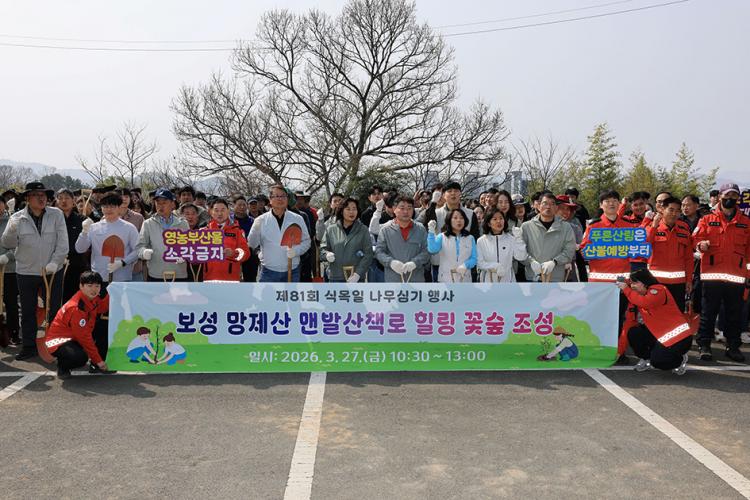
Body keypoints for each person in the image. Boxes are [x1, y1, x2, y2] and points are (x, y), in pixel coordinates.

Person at [1, 182, 68, 360]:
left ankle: (55, 346)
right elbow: (7, 243)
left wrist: (55, 262)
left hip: (52, 271)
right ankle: (29, 347)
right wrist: (11, 228)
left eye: (43, 195)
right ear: (27, 198)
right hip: (26, 271)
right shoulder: (17, 217)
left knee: (53, 309)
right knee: (28, 311)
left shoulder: (56, 214)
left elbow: (63, 244)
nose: (41, 198)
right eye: (36, 195)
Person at [692, 183, 750, 362]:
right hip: (712, 276)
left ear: (738, 198)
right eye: (727, 195)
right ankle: (704, 345)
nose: (730, 199)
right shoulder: (706, 219)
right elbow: (695, 238)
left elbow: (749, 251)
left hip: (736, 277)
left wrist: (748, 275)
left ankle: (733, 347)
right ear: (719, 197)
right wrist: (700, 245)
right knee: (708, 313)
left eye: (734, 196)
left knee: (734, 314)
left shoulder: (746, 222)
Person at [617, 269, 692, 375]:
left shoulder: (658, 290)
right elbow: (628, 323)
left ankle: (679, 360)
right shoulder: (636, 297)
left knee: (658, 362)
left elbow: (645, 302)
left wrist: (626, 290)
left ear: (644, 282)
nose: (632, 286)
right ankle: (647, 358)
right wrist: (619, 352)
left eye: (635, 283)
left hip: (679, 338)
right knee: (633, 332)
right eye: (631, 283)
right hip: (661, 335)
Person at [43, 271, 114, 379]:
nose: (94, 289)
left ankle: (95, 363)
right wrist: (98, 360)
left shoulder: (91, 298)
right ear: (81, 286)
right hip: (56, 341)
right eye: (89, 286)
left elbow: (102, 308)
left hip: (74, 337)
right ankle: (62, 366)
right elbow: (84, 337)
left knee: (102, 329)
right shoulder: (76, 308)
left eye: (97, 286)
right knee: (80, 358)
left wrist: (112, 293)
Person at [247, 185, 311, 283]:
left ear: (287, 199)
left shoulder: (297, 219)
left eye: (283, 196)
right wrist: (254, 231)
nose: (280, 199)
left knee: (290, 294)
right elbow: (252, 244)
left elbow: (307, 241)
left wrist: (296, 251)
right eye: (277, 196)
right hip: (268, 271)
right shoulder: (261, 220)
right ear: (270, 200)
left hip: (292, 270)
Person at [646, 196, 693, 311]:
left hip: (678, 284)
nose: (674, 214)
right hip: (656, 282)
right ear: (662, 209)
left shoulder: (684, 231)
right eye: (671, 210)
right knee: (656, 314)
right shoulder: (651, 228)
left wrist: (688, 280)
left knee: (677, 315)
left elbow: (688, 258)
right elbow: (644, 246)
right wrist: (654, 227)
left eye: (677, 211)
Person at [137, 188, 190, 282]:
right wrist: (144, 252)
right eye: (158, 202)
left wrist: (185, 254)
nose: (160, 206)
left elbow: (190, 246)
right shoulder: (148, 224)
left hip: (179, 273)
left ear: (172, 204)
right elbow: (140, 246)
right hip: (156, 274)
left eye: (164, 202)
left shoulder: (183, 223)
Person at [375, 195, 430, 283]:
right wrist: (391, 262)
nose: (406, 211)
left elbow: (427, 250)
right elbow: (379, 251)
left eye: (409, 208)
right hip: (393, 280)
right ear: (394, 209)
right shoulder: (385, 229)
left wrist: (415, 263)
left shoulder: (420, 229)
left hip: (416, 279)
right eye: (402, 208)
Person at [521, 193, 575, 282]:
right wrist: (530, 261)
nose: (548, 207)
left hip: (556, 278)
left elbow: (569, 251)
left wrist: (554, 262)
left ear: (556, 208)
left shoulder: (566, 227)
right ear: (538, 206)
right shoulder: (526, 227)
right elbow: (520, 251)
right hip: (532, 277)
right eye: (545, 203)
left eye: (552, 204)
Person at [319, 197, 373, 283]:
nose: (352, 212)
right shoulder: (331, 229)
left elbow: (368, 254)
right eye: (348, 209)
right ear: (341, 211)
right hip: (335, 276)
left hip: (356, 278)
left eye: (354, 209)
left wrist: (358, 274)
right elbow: (322, 249)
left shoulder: (363, 230)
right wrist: (326, 255)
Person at [202, 198, 250, 282]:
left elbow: (246, 254)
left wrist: (233, 253)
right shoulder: (203, 231)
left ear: (228, 211)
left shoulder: (237, 231)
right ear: (211, 212)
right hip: (209, 279)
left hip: (231, 279)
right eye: (216, 210)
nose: (220, 213)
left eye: (223, 210)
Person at [427, 208, 477, 283]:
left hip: (465, 278)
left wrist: (466, 265)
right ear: (449, 220)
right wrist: (431, 232)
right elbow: (432, 249)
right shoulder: (442, 236)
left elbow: (474, 258)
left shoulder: (470, 238)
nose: (459, 220)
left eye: (461, 218)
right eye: (455, 218)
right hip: (445, 279)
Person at [476, 208, 527, 283]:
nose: (499, 221)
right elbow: (480, 263)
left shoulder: (510, 239)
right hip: (488, 282)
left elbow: (521, 257)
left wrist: (519, 239)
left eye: (501, 218)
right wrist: (494, 266)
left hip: (508, 281)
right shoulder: (481, 241)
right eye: (495, 219)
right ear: (489, 223)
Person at [0, 197, 20, 346]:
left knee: (11, 302)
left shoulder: (11, 222)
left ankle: (14, 333)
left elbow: (19, 244)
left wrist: (8, 256)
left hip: (9, 269)